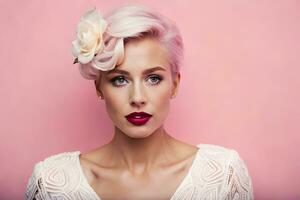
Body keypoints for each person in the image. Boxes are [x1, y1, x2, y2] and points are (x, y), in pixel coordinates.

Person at [25, 4, 253, 200]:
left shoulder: (223, 176)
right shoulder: (52, 183)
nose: (137, 98)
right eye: (120, 80)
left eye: (153, 78)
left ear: (174, 85)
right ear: (99, 87)